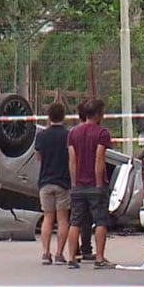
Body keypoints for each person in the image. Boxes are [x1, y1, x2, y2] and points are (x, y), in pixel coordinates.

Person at [66, 99, 116, 270]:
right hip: (95, 184)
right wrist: (98, 182)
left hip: (77, 185)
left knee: (75, 221)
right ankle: (99, 258)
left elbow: (72, 161)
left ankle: (72, 257)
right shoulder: (102, 133)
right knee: (101, 220)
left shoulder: (73, 133)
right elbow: (99, 159)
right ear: (98, 114)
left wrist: (74, 182)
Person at [35, 102, 71, 265]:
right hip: (63, 181)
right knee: (62, 219)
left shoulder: (41, 136)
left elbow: (38, 157)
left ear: (48, 117)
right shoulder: (68, 135)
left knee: (48, 217)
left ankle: (45, 252)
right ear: (63, 117)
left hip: (45, 181)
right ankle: (59, 254)